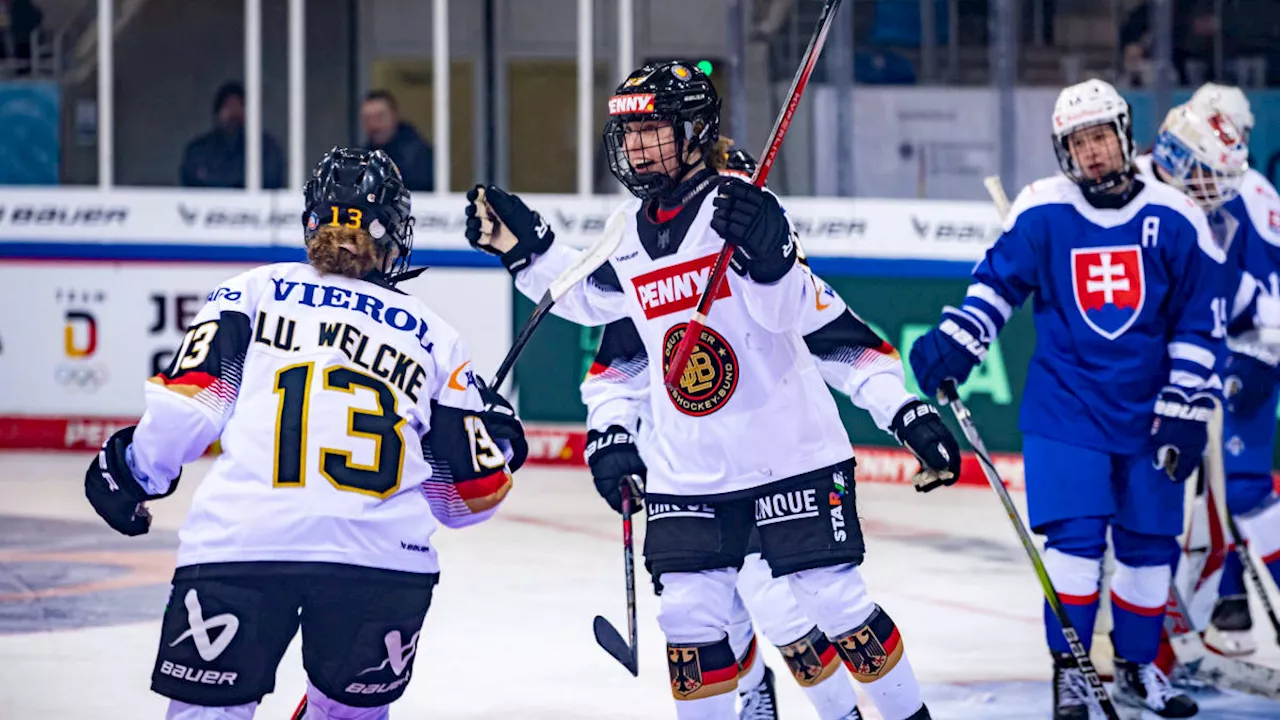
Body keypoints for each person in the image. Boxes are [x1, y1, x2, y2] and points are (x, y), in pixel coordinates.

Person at [466, 60, 959, 720]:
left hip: (789, 457)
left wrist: (904, 410)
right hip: (689, 472)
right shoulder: (628, 232)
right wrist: (525, 250)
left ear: (695, 131)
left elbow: (803, 320)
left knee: (831, 600)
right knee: (689, 620)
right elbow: (591, 301)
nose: (635, 147)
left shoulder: (744, 214)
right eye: (628, 134)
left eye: (652, 131)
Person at [83, 147, 526, 719]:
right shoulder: (435, 338)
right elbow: (469, 501)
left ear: (312, 221)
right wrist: (501, 441)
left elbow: (186, 412)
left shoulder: (253, 291)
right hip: (381, 565)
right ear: (392, 233)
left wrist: (134, 474)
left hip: (242, 546)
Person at [581, 145, 959, 720]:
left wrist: (903, 409)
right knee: (700, 616)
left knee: (793, 611)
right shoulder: (647, 263)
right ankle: (753, 689)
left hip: (776, 462)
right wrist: (611, 435)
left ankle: (840, 713)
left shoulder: (769, 266)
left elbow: (836, 339)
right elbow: (617, 373)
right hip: (689, 473)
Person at [909, 78, 1225, 719]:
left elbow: (1199, 321)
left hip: (1151, 414)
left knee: (1147, 550)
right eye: (1078, 142)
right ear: (1064, 149)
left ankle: (1137, 669)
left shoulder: (1176, 215)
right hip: (1067, 410)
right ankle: (1073, 674)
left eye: (1101, 137)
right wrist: (956, 343)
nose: (1092, 152)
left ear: (1123, 136)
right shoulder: (1043, 210)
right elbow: (996, 288)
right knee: (1075, 547)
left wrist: (1186, 407)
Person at [1145, 88, 1280, 659]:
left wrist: (1260, 352)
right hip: (1185, 361)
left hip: (1242, 349)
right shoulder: (1145, 184)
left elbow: (1261, 290)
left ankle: (1203, 612)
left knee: (1238, 488)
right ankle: (1185, 622)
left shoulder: (1245, 189)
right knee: (1177, 499)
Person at [179, 81, 286, 189]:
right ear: (217, 113)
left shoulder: (266, 149)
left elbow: (271, 182)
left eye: (239, 106)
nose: (234, 112)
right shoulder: (199, 150)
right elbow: (191, 184)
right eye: (228, 106)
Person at [361, 90, 435, 192]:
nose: (374, 125)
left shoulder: (417, 154)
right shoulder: (363, 155)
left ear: (394, 115)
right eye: (368, 118)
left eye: (380, 117)